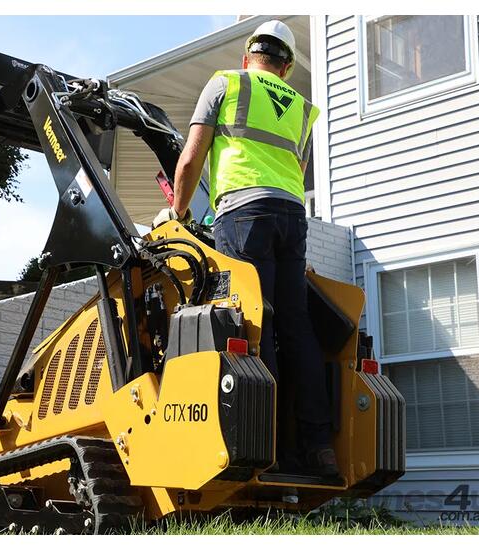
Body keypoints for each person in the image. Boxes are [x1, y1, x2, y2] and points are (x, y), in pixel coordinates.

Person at [153, 20, 338, 478]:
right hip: (292, 218)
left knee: (256, 318)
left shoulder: (226, 83)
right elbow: (296, 169)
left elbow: (193, 156)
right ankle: (318, 445)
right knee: (295, 325)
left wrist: (177, 212)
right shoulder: (302, 108)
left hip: (243, 214)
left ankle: (266, 442)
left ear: (247, 56)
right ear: (288, 66)